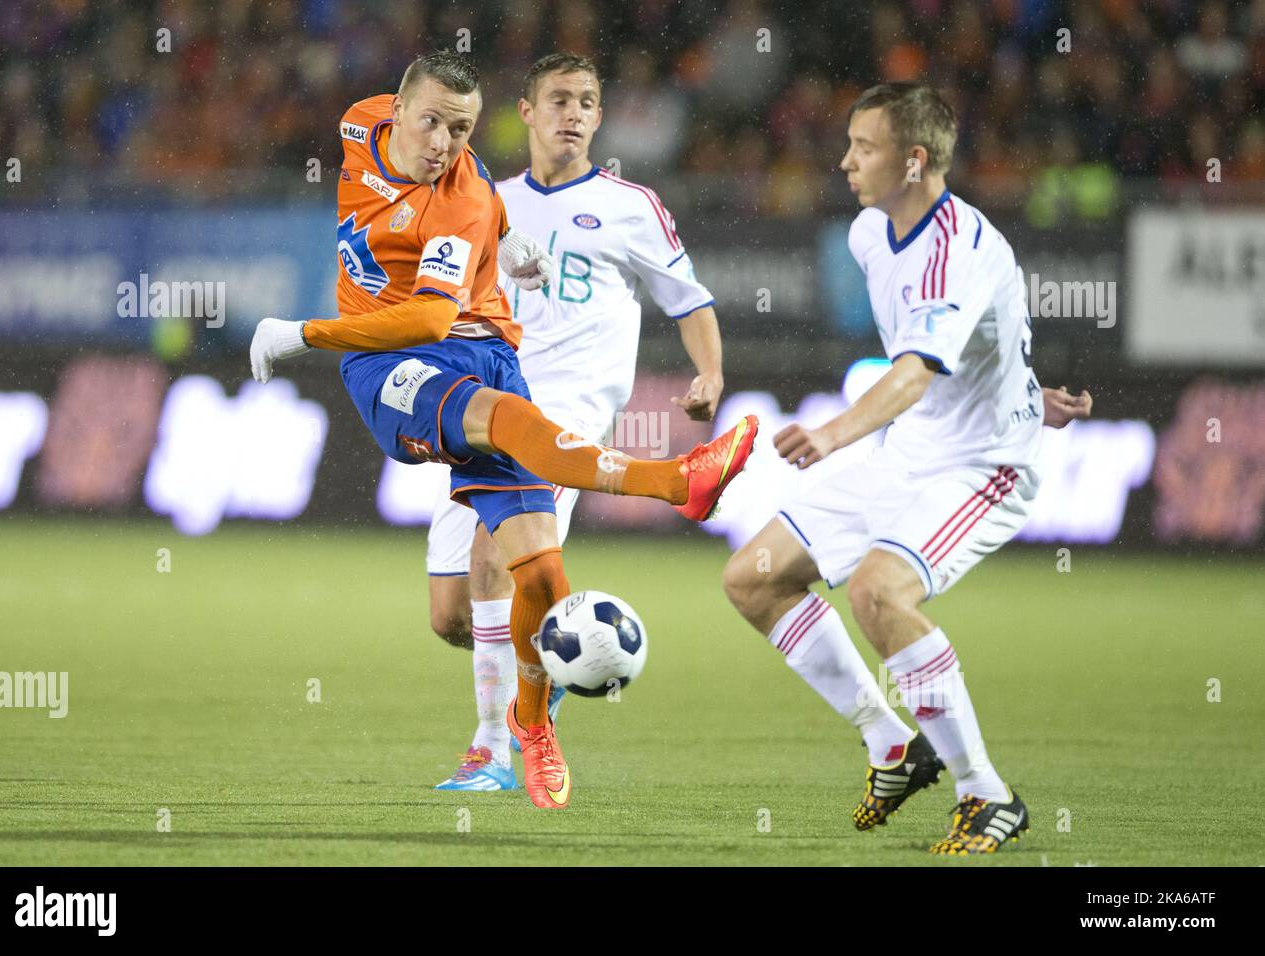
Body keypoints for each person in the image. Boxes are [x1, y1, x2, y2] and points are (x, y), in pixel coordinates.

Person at [249, 50, 758, 809]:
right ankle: (663, 496)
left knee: (533, 573)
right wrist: (508, 230)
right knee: (454, 612)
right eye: (431, 123)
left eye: (460, 131)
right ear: (395, 111)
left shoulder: (493, 201)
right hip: (398, 365)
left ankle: (511, 736)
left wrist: (300, 334)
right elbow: (433, 285)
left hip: (519, 379)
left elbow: (433, 306)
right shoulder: (365, 128)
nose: (443, 145)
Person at [721, 81, 1088, 854]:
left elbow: (919, 367)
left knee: (877, 591)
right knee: (752, 576)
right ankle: (893, 742)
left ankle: (987, 794)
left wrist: (832, 435)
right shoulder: (868, 233)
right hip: (912, 448)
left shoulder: (961, 247)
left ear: (914, 160)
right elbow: (975, 340)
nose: (846, 159)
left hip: (982, 465)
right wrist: (1024, 384)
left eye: (865, 146)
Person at [424, 52, 726, 792]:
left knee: (497, 561)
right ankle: (550, 660)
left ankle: (496, 747)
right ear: (525, 112)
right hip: (489, 404)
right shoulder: (486, 202)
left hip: (565, 414)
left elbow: (690, 299)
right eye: (559, 99)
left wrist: (710, 373)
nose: (575, 113)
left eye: (588, 101)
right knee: (451, 614)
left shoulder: (632, 206)